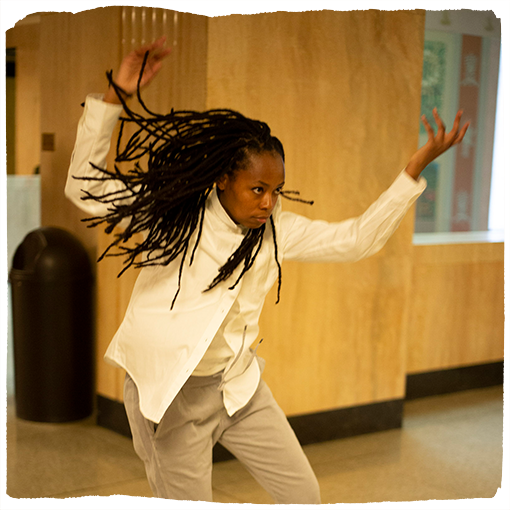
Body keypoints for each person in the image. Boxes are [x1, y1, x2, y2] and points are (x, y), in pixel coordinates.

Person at [65, 36, 469, 503]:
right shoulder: (177, 217)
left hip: (237, 388)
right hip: (171, 395)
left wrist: (413, 170)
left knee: (303, 492)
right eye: (257, 189)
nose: (269, 202)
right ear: (223, 179)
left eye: (276, 190)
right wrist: (116, 96)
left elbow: (356, 239)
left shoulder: (276, 229)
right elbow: (85, 187)